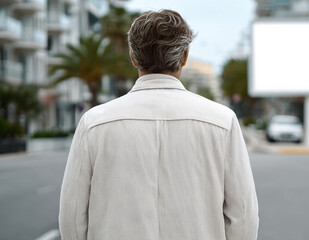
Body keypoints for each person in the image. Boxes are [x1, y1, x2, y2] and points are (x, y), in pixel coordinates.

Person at [59, 10, 259, 240]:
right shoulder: (223, 122)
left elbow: (72, 217)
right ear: (184, 57)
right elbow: (243, 216)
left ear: (133, 58)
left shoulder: (94, 124)